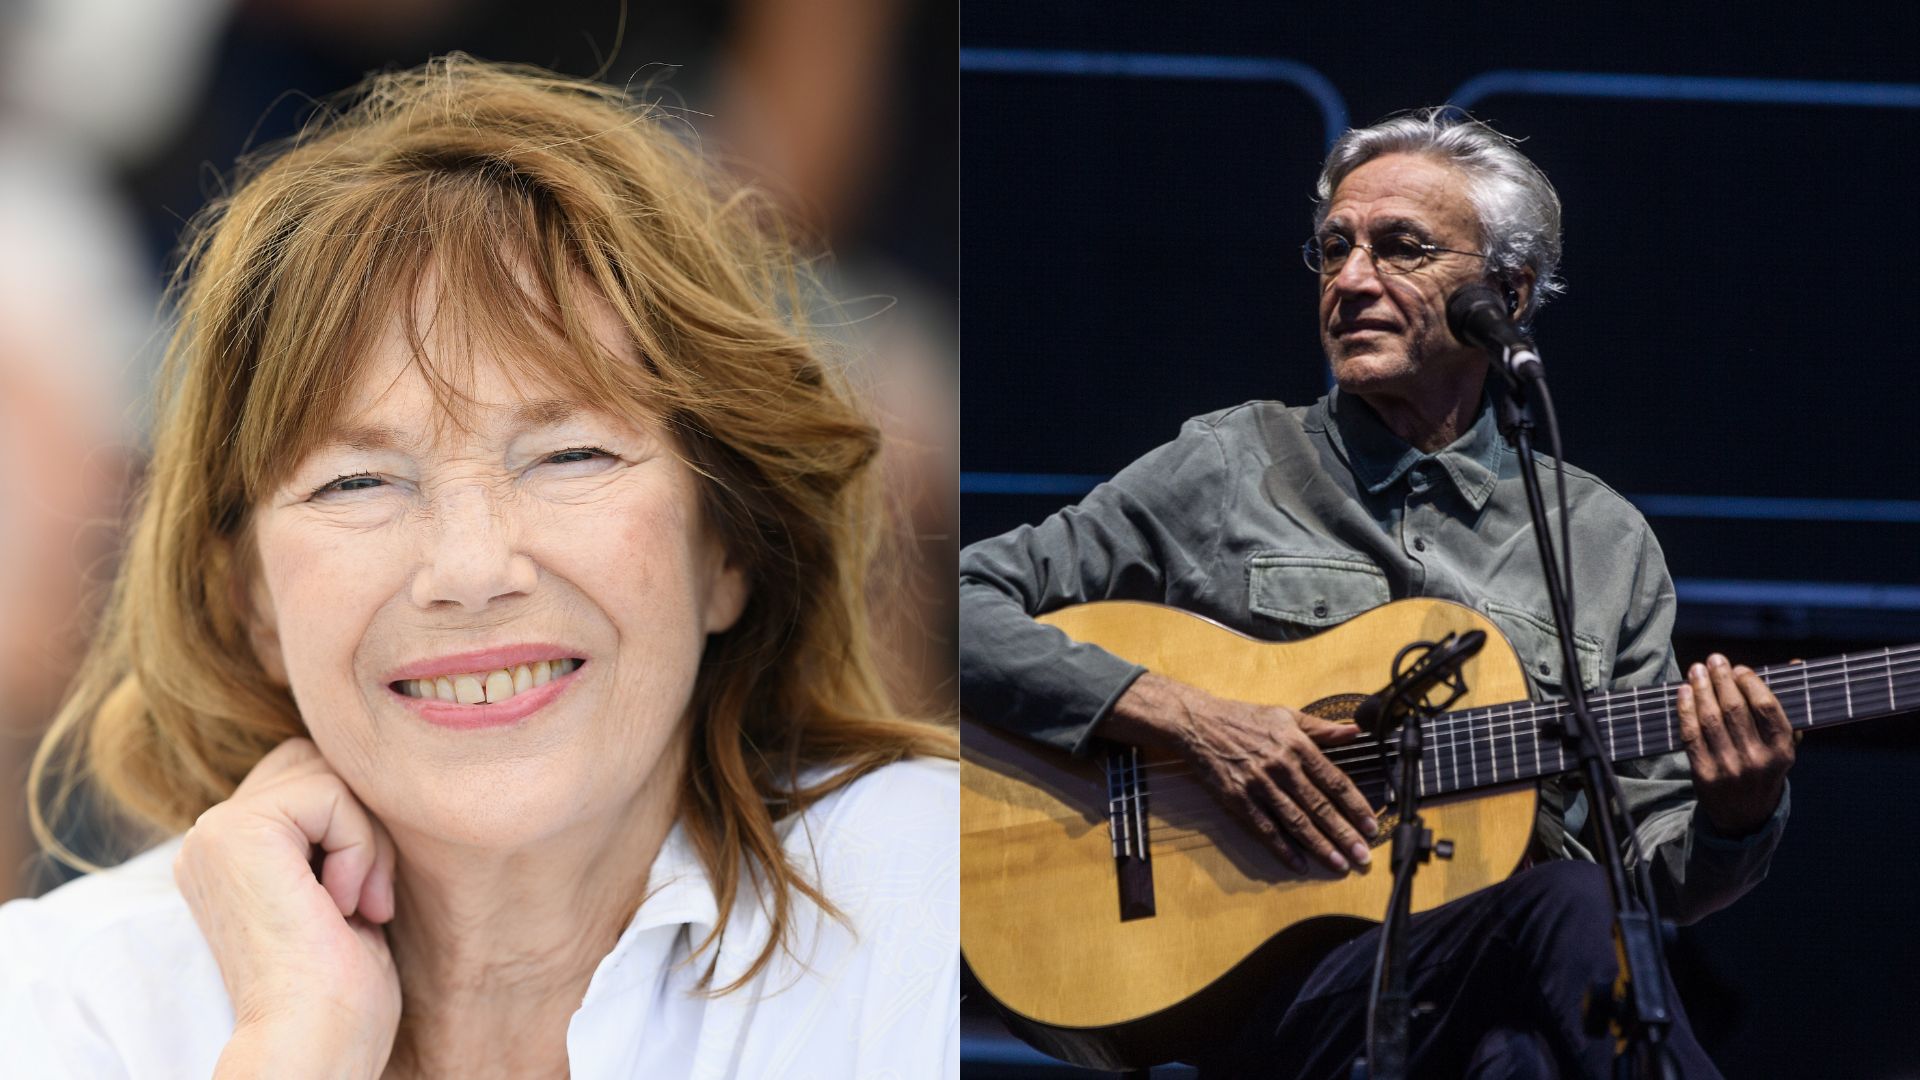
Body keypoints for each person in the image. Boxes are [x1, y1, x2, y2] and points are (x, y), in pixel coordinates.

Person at [0, 56, 958, 1079]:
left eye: (569, 456)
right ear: (251, 602)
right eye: (358, 482)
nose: (469, 567)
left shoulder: (941, 913)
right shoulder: (64, 1006)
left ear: (725, 546)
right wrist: (298, 1044)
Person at [960, 108, 1794, 1077]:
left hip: (1497, 978)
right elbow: (952, 610)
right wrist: (1190, 721)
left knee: (1520, 1053)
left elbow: (1644, 877)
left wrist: (1739, 817)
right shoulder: (1233, 466)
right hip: (1280, 989)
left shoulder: (1604, 547)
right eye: (1333, 250)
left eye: (1400, 248)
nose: (1351, 281)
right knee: (1562, 915)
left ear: (1508, 295)